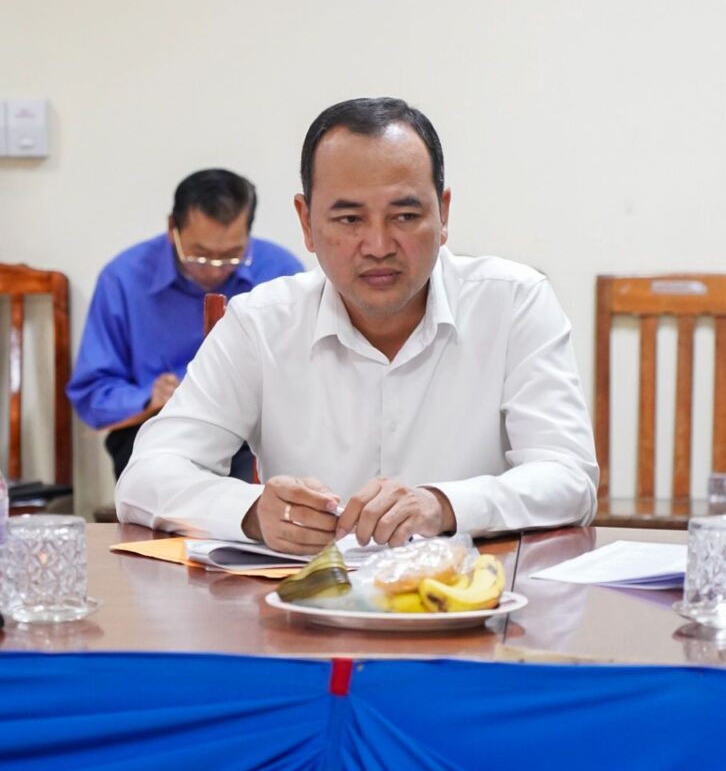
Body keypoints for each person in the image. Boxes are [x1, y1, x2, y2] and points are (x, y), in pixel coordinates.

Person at [116, 100, 598, 550]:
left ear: (443, 213)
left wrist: (445, 505)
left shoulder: (514, 302)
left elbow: (568, 477)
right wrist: (252, 513)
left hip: (474, 597)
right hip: (306, 601)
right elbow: (147, 477)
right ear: (306, 222)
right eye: (349, 219)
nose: (379, 246)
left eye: (405, 215)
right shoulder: (259, 324)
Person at [67, 168, 304, 479]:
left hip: (253, 432)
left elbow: (307, 371)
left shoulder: (281, 272)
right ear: (172, 229)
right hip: (160, 426)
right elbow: (92, 392)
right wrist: (149, 397)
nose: (214, 270)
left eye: (232, 255)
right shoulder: (124, 278)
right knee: (161, 477)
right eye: (199, 255)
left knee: (266, 478)